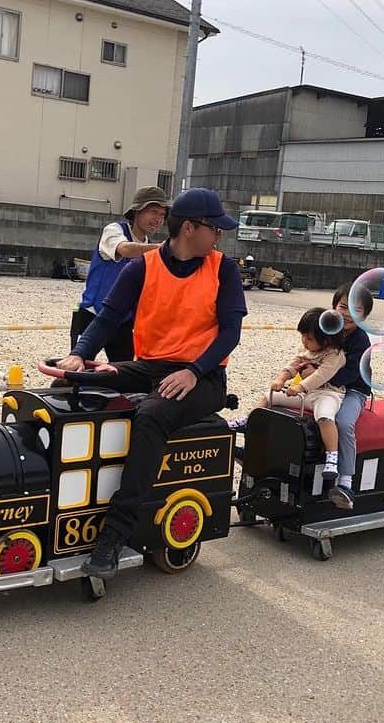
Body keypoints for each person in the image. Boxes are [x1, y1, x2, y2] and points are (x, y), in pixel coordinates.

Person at [55, 187, 247, 579]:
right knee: (72, 385)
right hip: (152, 365)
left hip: (204, 375)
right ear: (190, 228)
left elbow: (230, 334)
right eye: (216, 229)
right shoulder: (143, 267)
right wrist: (80, 352)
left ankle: (115, 532)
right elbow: (107, 318)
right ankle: (59, 503)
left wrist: (193, 371)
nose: (220, 237)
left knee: (152, 415)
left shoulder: (223, 268)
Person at [228, 307, 351, 508]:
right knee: (270, 396)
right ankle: (249, 420)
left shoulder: (335, 355)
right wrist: (281, 379)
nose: (305, 342)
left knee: (325, 415)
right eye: (303, 337)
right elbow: (292, 365)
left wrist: (300, 386)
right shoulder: (309, 351)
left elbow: (322, 376)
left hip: (328, 393)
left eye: (309, 338)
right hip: (305, 393)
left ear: (326, 339)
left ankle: (332, 456)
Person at [69, 186, 170, 362]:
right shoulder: (114, 231)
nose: (158, 219)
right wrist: (162, 249)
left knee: (123, 372)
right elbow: (125, 249)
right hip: (93, 314)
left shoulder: (150, 246)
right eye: (153, 212)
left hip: (123, 320)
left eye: (162, 215)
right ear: (137, 211)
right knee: (77, 367)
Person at [325, 283, 373, 510]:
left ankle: (345, 481)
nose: (348, 314)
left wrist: (323, 380)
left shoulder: (361, 339)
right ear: (333, 307)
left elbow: (352, 372)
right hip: (328, 388)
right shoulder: (327, 330)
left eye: (357, 310)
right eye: (343, 306)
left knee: (343, 422)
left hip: (354, 390)